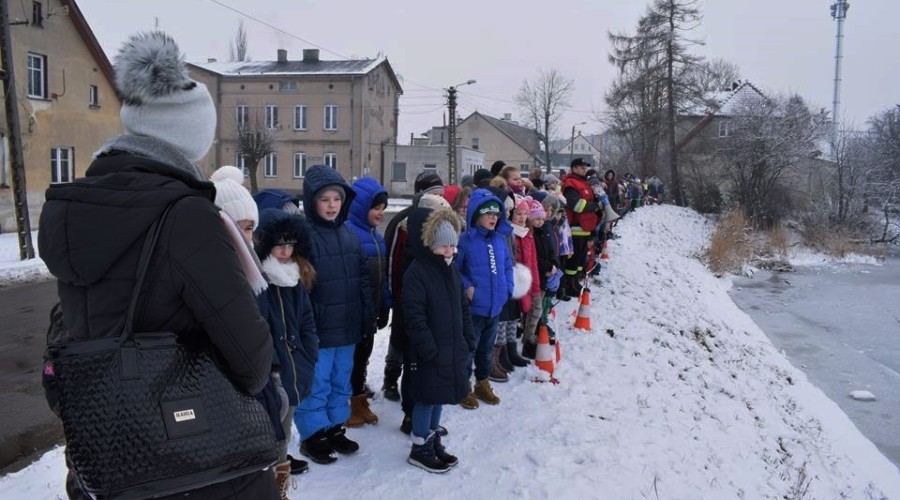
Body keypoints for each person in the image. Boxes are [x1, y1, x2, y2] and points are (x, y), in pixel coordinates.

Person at [38, 31, 279, 498]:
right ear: (192, 137)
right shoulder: (186, 216)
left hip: (111, 451)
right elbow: (250, 360)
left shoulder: (72, 208)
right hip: (196, 463)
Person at [296, 165, 373, 465]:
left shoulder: (349, 234)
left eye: (337, 199)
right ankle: (313, 434)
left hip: (347, 326)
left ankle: (335, 427)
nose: (331, 205)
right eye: (324, 199)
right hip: (320, 329)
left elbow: (362, 278)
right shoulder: (305, 237)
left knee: (342, 381)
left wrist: (366, 315)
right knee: (318, 383)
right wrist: (307, 324)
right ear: (312, 201)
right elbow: (300, 287)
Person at [402, 208, 473, 473]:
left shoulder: (450, 270)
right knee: (426, 398)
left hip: (450, 347)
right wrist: (429, 349)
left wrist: (467, 337)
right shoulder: (418, 272)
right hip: (430, 351)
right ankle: (420, 447)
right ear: (430, 244)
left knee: (439, 396)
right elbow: (414, 317)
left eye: (452, 246)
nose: (449, 251)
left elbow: (462, 307)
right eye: (443, 246)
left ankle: (432, 440)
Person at [254, 208, 319, 498]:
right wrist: (271, 363)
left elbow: (307, 322)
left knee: (284, 429)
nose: (284, 251)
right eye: (279, 244)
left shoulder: (296, 277)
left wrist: (309, 354)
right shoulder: (258, 280)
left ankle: (278, 486)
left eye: (290, 244)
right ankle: (266, 485)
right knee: (268, 432)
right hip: (269, 372)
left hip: (295, 368)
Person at [381, 171, 444, 403]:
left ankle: (416, 383)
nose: (439, 198)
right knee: (399, 336)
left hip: (429, 295)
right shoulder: (403, 221)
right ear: (421, 195)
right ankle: (391, 375)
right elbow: (391, 260)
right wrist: (392, 292)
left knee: (420, 340)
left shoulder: (442, 221)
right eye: (434, 194)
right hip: (404, 291)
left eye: (441, 194)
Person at [454, 188, 515, 408]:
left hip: (495, 306)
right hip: (475, 308)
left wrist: (508, 288)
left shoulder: (499, 240)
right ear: (476, 214)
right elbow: (455, 269)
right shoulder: (465, 241)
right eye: (488, 213)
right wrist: (468, 287)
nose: (493, 218)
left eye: (496, 214)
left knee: (486, 349)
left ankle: (482, 382)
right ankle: (463, 387)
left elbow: (507, 266)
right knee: (469, 349)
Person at [346, 177, 392, 427]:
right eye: (376, 208)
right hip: (354, 313)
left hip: (371, 312)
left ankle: (359, 397)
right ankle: (350, 402)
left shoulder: (377, 238)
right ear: (360, 207)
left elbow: (382, 277)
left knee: (364, 355)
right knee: (351, 359)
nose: (381, 213)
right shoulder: (349, 234)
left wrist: (384, 306)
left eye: (383, 208)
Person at [561, 158, 601, 298]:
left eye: (585, 167)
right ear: (574, 168)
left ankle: (575, 282)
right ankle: (568, 285)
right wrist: (594, 206)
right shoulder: (570, 184)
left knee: (580, 259)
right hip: (576, 227)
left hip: (586, 226)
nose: (585, 169)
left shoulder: (585, 183)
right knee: (573, 259)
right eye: (582, 167)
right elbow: (576, 205)